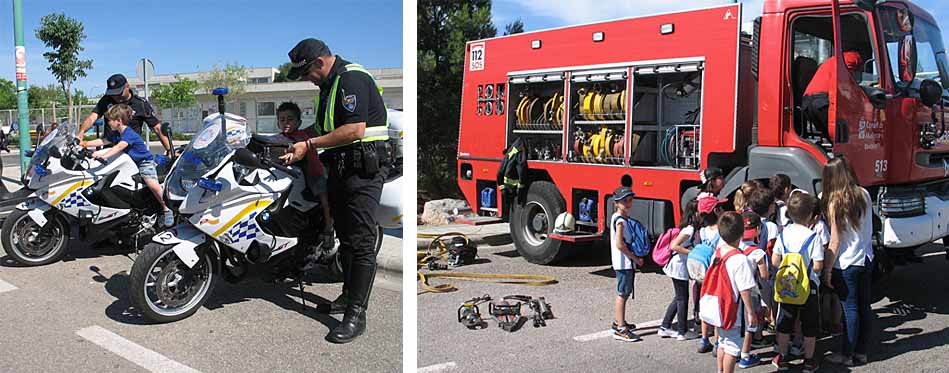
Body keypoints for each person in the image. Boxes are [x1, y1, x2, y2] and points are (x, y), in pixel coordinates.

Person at [279, 38, 390, 344]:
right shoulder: (328, 86)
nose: (306, 79)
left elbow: (355, 130)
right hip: (341, 170)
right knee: (347, 238)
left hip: (363, 172)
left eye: (306, 73)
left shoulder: (350, 78)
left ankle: (357, 315)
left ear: (319, 62)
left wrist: (309, 145)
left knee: (362, 242)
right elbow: (322, 129)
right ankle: (347, 296)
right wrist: (294, 145)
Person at [83, 104, 173, 226]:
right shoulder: (116, 134)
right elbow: (103, 141)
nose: (108, 124)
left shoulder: (128, 134)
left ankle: (167, 208)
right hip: (129, 164)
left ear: (118, 121)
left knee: (152, 184)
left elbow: (119, 146)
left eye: (110, 121)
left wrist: (104, 155)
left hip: (143, 163)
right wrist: (84, 143)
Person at [821, 157, 873, 366]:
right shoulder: (864, 194)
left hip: (846, 262)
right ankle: (861, 352)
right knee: (864, 307)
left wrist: (826, 269)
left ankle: (846, 355)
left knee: (849, 310)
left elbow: (835, 241)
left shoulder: (835, 202)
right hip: (866, 257)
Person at [770, 192, 824, 373]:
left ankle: (783, 358)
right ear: (810, 214)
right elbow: (817, 266)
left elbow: (775, 261)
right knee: (810, 325)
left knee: (785, 324)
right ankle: (808, 361)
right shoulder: (813, 236)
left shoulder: (783, 234)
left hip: (786, 286)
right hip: (808, 287)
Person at [276, 102, 334, 248]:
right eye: (282, 120)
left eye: (290, 119)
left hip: (314, 173)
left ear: (298, 122)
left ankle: (328, 228)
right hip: (295, 177)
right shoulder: (280, 137)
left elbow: (291, 152)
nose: (286, 123)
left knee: (324, 200)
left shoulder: (300, 137)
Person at [79, 74, 173, 158]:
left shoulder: (140, 104)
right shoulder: (107, 100)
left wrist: (170, 151)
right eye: (113, 94)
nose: (115, 97)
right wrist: (81, 134)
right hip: (110, 150)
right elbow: (92, 117)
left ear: (127, 87)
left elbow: (157, 128)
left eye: (118, 93)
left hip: (131, 154)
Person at [710, 212, 758, 373]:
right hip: (733, 309)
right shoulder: (740, 259)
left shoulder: (718, 252)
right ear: (742, 232)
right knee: (732, 347)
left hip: (718, 304)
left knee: (722, 342)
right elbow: (744, 288)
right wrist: (751, 312)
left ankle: (720, 370)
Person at [689, 195, 728, 354]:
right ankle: (718, 342)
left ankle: (704, 339)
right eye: (721, 208)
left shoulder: (702, 231)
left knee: (705, 307)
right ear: (717, 211)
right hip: (715, 274)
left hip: (702, 275)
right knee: (717, 308)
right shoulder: (722, 232)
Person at [658, 199, 700, 341]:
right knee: (683, 298)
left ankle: (665, 326)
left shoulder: (689, 227)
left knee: (679, 297)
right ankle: (682, 331)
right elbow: (674, 246)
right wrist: (691, 252)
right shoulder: (689, 229)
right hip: (678, 266)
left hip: (678, 266)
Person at [802, 51, 864, 141]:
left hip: (807, 103)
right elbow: (846, 80)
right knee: (842, 138)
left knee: (831, 137)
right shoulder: (851, 57)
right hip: (821, 101)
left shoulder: (832, 61)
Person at [610, 186, 644, 342]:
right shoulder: (620, 221)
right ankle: (620, 327)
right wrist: (635, 258)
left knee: (624, 292)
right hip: (624, 262)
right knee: (622, 293)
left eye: (630, 199)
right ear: (617, 203)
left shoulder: (618, 218)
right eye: (624, 201)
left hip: (623, 262)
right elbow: (619, 244)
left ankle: (619, 322)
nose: (628, 203)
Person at [737, 211, 769, 369]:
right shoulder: (757, 252)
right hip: (751, 292)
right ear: (758, 230)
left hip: (734, 291)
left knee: (735, 321)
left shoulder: (733, 246)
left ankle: (730, 349)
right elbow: (764, 275)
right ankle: (745, 355)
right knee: (750, 323)